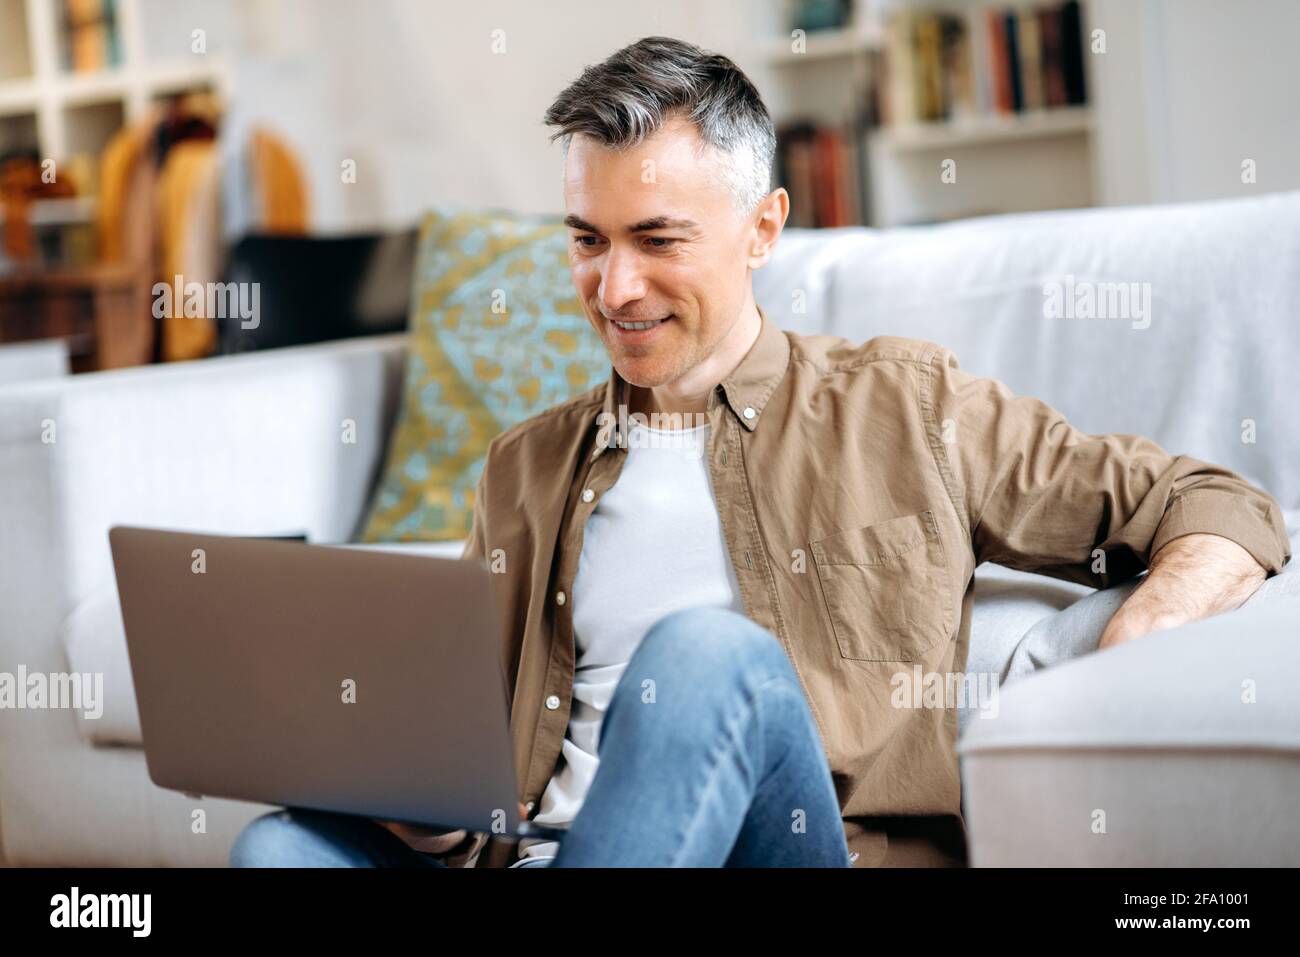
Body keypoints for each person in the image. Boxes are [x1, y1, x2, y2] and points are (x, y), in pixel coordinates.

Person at [231, 36, 1291, 869]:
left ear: (763, 228)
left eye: (657, 240)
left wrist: (1141, 640)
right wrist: (422, 810)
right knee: (280, 847)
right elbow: (477, 779)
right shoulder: (527, 467)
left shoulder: (905, 404)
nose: (614, 289)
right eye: (586, 241)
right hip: (546, 857)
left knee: (704, 656)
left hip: (794, 851)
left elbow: (1212, 503)